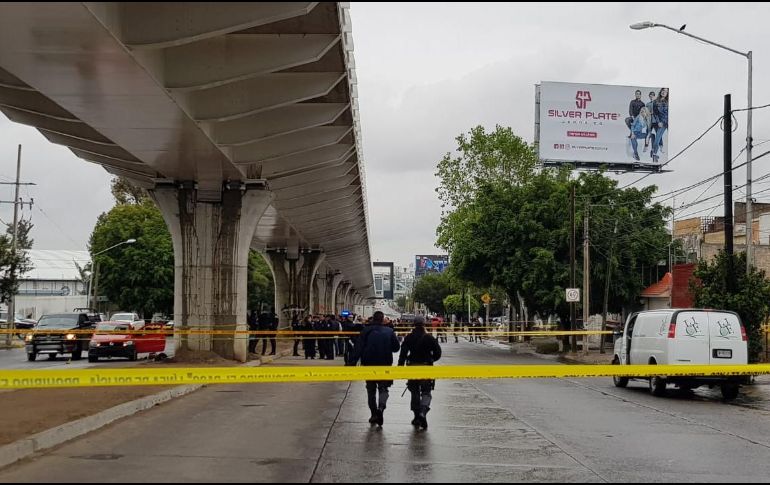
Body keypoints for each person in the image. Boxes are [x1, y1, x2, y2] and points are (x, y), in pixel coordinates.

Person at [350, 311, 400, 427]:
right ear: (383, 319)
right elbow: (396, 348)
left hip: (369, 365)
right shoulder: (389, 331)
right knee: (384, 388)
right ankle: (381, 408)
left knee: (371, 390)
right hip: (385, 364)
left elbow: (358, 347)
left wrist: (351, 363)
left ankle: (373, 414)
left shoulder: (365, 331)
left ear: (372, 319)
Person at [398, 316, 442, 430]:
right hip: (426, 367)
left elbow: (403, 353)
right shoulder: (429, 337)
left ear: (414, 324)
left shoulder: (409, 337)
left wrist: (400, 367)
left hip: (412, 367)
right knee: (426, 392)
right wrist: (431, 359)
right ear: (424, 324)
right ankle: (423, 411)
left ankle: (417, 416)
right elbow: (438, 352)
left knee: (414, 392)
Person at [651, 87, 669, 163]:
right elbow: (655, 113)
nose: (664, 92)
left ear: (667, 93)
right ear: (660, 91)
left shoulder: (668, 102)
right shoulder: (655, 102)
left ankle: (654, 152)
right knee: (658, 137)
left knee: (659, 138)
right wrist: (659, 122)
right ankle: (654, 154)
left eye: (666, 91)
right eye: (663, 90)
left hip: (666, 122)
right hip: (660, 122)